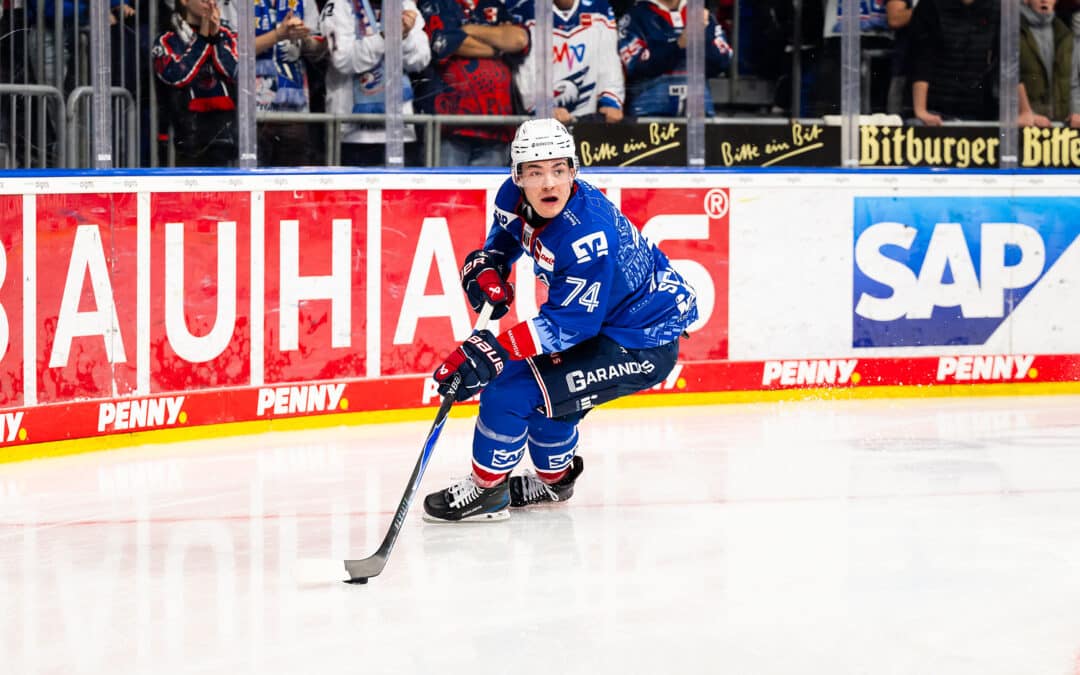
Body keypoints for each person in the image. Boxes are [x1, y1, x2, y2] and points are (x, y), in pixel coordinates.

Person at [422, 118, 698, 522]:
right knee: (554, 403)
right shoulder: (511, 197)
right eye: (535, 172)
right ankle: (555, 482)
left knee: (508, 391)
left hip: (640, 342)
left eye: (558, 169)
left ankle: (488, 493)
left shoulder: (589, 237)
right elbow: (504, 240)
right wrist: (488, 269)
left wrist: (490, 353)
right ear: (517, 176)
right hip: (605, 324)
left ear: (574, 171)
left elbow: (568, 328)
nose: (548, 183)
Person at [318, 0, 432, 166]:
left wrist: (404, 37)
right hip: (351, 132)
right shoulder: (339, 5)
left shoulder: (404, 4)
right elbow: (343, 60)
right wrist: (386, 37)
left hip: (400, 131)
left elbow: (421, 60)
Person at [417, 0, 529, 166]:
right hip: (448, 127)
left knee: (490, 191)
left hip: (497, 127)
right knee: (448, 189)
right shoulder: (436, 3)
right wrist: (498, 46)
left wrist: (469, 30)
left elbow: (519, 40)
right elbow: (444, 43)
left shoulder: (493, 5)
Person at [509, 0, 625, 125]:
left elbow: (609, 60)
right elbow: (524, 69)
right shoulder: (522, 9)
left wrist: (611, 100)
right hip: (538, 125)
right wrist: (540, 107)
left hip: (586, 122)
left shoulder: (600, 8)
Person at [153, 0, 240, 166]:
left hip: (227, 138)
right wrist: (202, 39)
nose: (211, 3)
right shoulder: (167, 40)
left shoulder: (226, 36)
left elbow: (237, 73)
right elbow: (177, 76)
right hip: (186, 140)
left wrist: (215, 39)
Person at [617, 0, 732, 117]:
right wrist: (679, 44)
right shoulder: (634, 17)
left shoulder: (703, 16)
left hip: (699, 118)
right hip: (649, 116)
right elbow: (636, 65)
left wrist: (702, 40)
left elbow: (722, 62)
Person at [908, 0, 1000, 126]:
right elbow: (922, 59)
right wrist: (921, 110)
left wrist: (1024, 110)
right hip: (936, 107)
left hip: (978, 107)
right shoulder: (929, 5)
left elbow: (1008, 61)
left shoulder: (996, 7)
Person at [1018, 0, 1080, 127]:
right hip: (1026, 124)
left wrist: (1076, 112)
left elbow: (1073, 83)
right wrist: (1027, 112)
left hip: (1060, 125)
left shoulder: (1065, 35)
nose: (1044, 0)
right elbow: (1004, 80)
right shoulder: (1014, 32)